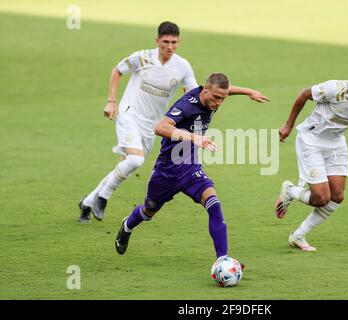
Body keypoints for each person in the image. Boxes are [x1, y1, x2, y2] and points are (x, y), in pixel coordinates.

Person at [79, 21, 269, 222]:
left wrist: (247, 91)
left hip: (152, 124)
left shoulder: (182, 66)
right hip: (129, 115)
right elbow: (117, 71)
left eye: (174, 42)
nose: (169, 46)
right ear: (157, 41)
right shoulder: (141, 58)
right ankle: (104, 196)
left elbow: (204, 91)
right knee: (135, 160)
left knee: (127, 164)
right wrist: (111, 100)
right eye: (166, 42)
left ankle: (88, 202)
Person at [114, 73, 253, 263]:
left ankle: (223, 259)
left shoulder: (212, 96)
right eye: (216, 98)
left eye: (223, 98)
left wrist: (248, 91)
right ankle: (128, 226)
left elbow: (225, 90)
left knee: (214, 204)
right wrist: (193, 137)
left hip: (191, 169)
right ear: (205, 90)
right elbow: (160, 127)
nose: (219, 103)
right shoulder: (186, 105)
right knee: (148, 211)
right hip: (167, 172)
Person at [275, 62, 348, 251]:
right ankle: (290, 190)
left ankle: (298, 236)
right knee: (321, 198)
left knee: (337, 196)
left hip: (336, 144)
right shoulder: (335, 88)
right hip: (311, 140)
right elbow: (304, 94)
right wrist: (288, 125)